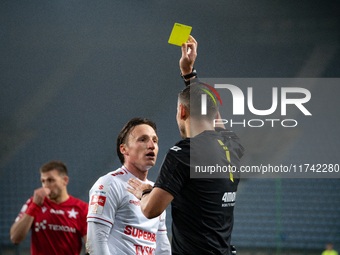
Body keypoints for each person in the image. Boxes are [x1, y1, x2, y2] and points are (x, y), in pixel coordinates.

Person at [127, 36, 244, 254]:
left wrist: (145, 192)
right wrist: (189, 75)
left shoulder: (181, 154)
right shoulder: (233, 145)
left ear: (182, 112)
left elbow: (151, 210)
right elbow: (211, 110)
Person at [86, 118, 171, 254]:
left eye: (155, 140)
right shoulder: (108, 184)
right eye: (142, 139)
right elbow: (95, 241)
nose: (151, 145)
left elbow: (162, 244)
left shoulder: (156, 190)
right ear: (124, 149)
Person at [10, 160, 88, 255]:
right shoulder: (33, 202)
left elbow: (91, 246)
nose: (45, 186)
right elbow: (15, 238)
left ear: (65, 180)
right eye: (43, 181)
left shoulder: (82, 208)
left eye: (50, 180)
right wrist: (34, 206)